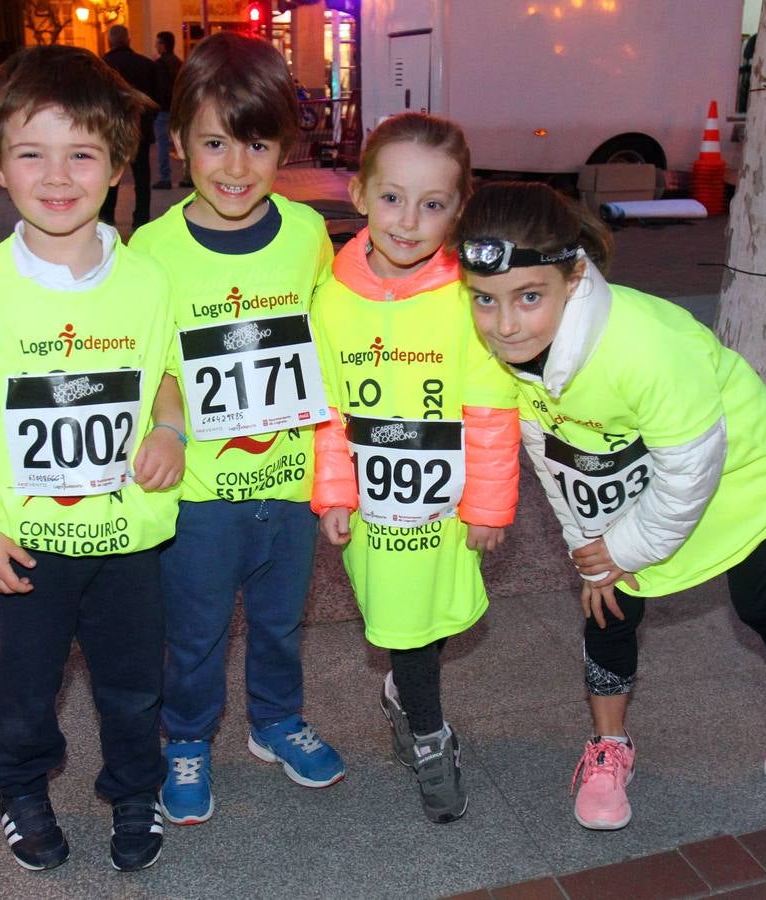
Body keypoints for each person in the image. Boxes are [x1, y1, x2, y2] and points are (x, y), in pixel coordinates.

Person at [454, 181, 766, 831]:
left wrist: (625, 548)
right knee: (606, 605)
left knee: (757, 604)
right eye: (484, 301)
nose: (504, 323)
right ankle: (609, 745)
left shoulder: (645, 346)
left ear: (573, 277)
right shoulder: (503, 352)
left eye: (528, 297)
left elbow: (690, 472)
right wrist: (587, 550)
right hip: (626, 473)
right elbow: (551, 453)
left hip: (732, 476)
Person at [0, 44, 186, 872]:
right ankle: (21, 785)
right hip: (23, 543)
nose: (56, 176)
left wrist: (167, 430)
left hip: (131, 542)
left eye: (81, 154)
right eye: (32, 152)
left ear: (116, 167)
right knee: (25, 686)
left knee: (135, 685)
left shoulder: (146, 282)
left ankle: (135, 789)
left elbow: (166, 376)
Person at [129, 31, 345, 827]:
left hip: (286, 481)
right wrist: (168, 429)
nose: (234, 166)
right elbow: (153, 363)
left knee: (283, 621)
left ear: (283, 145)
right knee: (195, 633)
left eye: (255, 144)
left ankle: (276, 721)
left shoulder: (303, 233)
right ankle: (185, 739)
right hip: (200, 493)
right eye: (213, 143)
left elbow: (323, 337)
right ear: (178, 141)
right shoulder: (150, 252)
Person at [311, 112, 520, 824]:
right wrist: (333, 491)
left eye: (433, 204)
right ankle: (420, 711)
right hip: (371, 506)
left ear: (458, 210)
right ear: (359, 193)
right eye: (392, 196)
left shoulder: (468, 300)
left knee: (424, 617)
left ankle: (421, 720)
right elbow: (328, 409)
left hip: (447, 503)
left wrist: (489, 506)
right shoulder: (330, 299)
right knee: (400, 616)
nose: (408, 220)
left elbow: (491, 409)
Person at [99, 24, 156, 230]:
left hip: (111, 132)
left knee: (110, 177)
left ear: (110, 42)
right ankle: (141, 219)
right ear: (129, 40)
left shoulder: (101, 66)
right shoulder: (146, 65)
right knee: (142, 179)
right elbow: (155, 100)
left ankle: (106, 217)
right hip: (140, 130)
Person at [151, 30, 181, 190]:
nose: (156, 46)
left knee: (162, 143)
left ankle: (165, 177)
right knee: (182, 142)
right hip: (178, 108)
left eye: (157, 43)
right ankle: (188, 175)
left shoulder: (160, 64)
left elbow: (160, 88)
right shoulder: (177, 62)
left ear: (163, 45)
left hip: (163, 109)